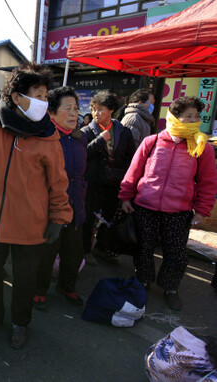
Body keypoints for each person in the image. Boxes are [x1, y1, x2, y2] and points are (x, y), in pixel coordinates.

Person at [0, 63, 72, 349]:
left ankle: (20, 323)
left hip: (30, 225)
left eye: (46, 96)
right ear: (16, 97)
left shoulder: (48, 135)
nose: (43, 102)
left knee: (25, 280)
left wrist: (58, 218)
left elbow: (58, 182)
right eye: (37, 94)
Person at [119, 96, 217, 310]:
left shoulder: (202, 147)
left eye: (196, 117)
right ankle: (143, 279)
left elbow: (208, 182)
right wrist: (126, 197)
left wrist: (201, 210)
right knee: (144, 247)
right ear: (174, 117)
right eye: (188, 116)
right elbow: (133, 172)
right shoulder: (152, 141)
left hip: (179, 211)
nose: (194, 121)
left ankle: (170, 287)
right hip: (145, 206)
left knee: (176, 252)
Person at [34, 86, 88, 309]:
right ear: (52, 113)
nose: (74, 113)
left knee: (73, 252)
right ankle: (38, 290)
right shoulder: (42, 138)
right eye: (68, 109)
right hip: (50, 208)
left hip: (76, 204)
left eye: (76, 108)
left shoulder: (80, 137)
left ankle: (67, 286)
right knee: (46, 253)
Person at [81, 91, 136, 265]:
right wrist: (99, 140)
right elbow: (82, 153)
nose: (96, 114)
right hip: (93, 182)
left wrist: (127, 180)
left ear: (111, 110)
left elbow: (130, 158)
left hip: (115, 183)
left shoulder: (123, 132)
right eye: (94, 109)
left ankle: (102, 249)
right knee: (89, 218)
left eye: (100, 110)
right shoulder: (86, 131)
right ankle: (85, 251)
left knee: (112, 218)